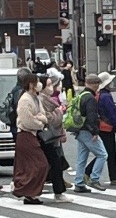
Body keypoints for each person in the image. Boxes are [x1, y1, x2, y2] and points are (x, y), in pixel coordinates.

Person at [85, 72, 116, 186]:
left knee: (106, 153)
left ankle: (114, 177)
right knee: (107, 153)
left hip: (101, 127)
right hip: (107, 127)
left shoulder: (99, 95)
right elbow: (113, 114)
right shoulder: (106, 96)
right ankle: (89, 172)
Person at [12, 72, 49, 205]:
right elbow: (27, 121)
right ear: (31, 84)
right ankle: (26, 191)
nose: (40, 84)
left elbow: (43, 114)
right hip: (25, 134)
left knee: (33, 165)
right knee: (39, 164)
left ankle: (30, 193)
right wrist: (40, 123)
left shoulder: (35, 98)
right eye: (37, 81)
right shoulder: (25, 99)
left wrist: (40, 119)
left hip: (32, 135)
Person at [38, 74, 71, 203]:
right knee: (54, 163)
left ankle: (58, 190)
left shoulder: (46, 99)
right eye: (49, 84)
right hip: (45, 136)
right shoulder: (42, 99)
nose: (52, 87)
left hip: (49, 136)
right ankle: (58, 192)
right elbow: (49, 118)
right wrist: (59, 112)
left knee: (52, 163)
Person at [73, 75, 108, 192]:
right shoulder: (90, 98)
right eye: (97, 84)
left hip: (79, 129)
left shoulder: (81, 95)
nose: (98, 87)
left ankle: (78, 182)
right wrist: (95, 131)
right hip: (88, 130)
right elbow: (92, 116)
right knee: (102, 154)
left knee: (81, 158)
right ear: (95, 84)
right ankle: (94, 179)